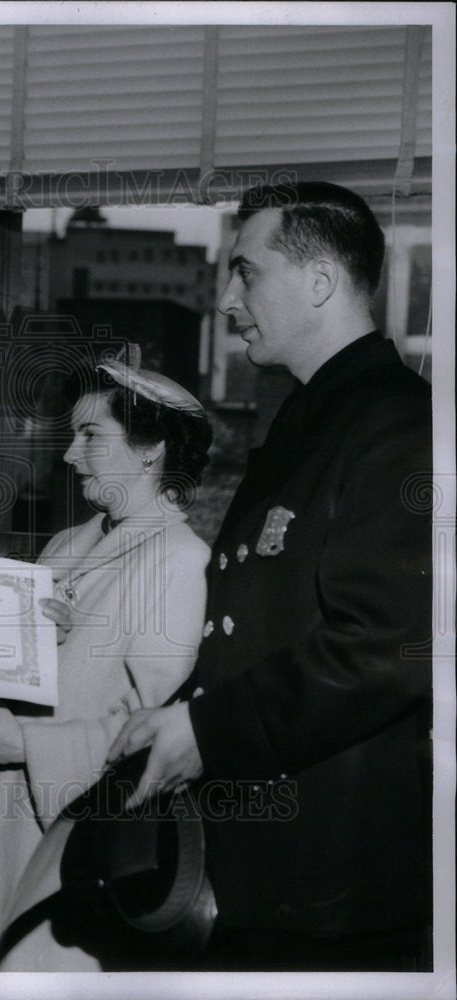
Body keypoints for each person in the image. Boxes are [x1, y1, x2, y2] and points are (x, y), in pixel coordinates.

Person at [106, 182, 432, 971]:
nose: (225, 299)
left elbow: (384, 649)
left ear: (319, 281)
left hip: (332, 877)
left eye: (246, 272)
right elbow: (262, 621)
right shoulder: (313, 416)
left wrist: (206, 732)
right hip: (270, 857)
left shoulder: (397, 423)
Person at [0, 350, 213, 970]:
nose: (68, 454)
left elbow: (154, 745)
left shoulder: (178, 563)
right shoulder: (69, 542)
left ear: (152, 450)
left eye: (90, 435)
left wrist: (23, 745)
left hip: (82, 845)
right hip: (10, 822)